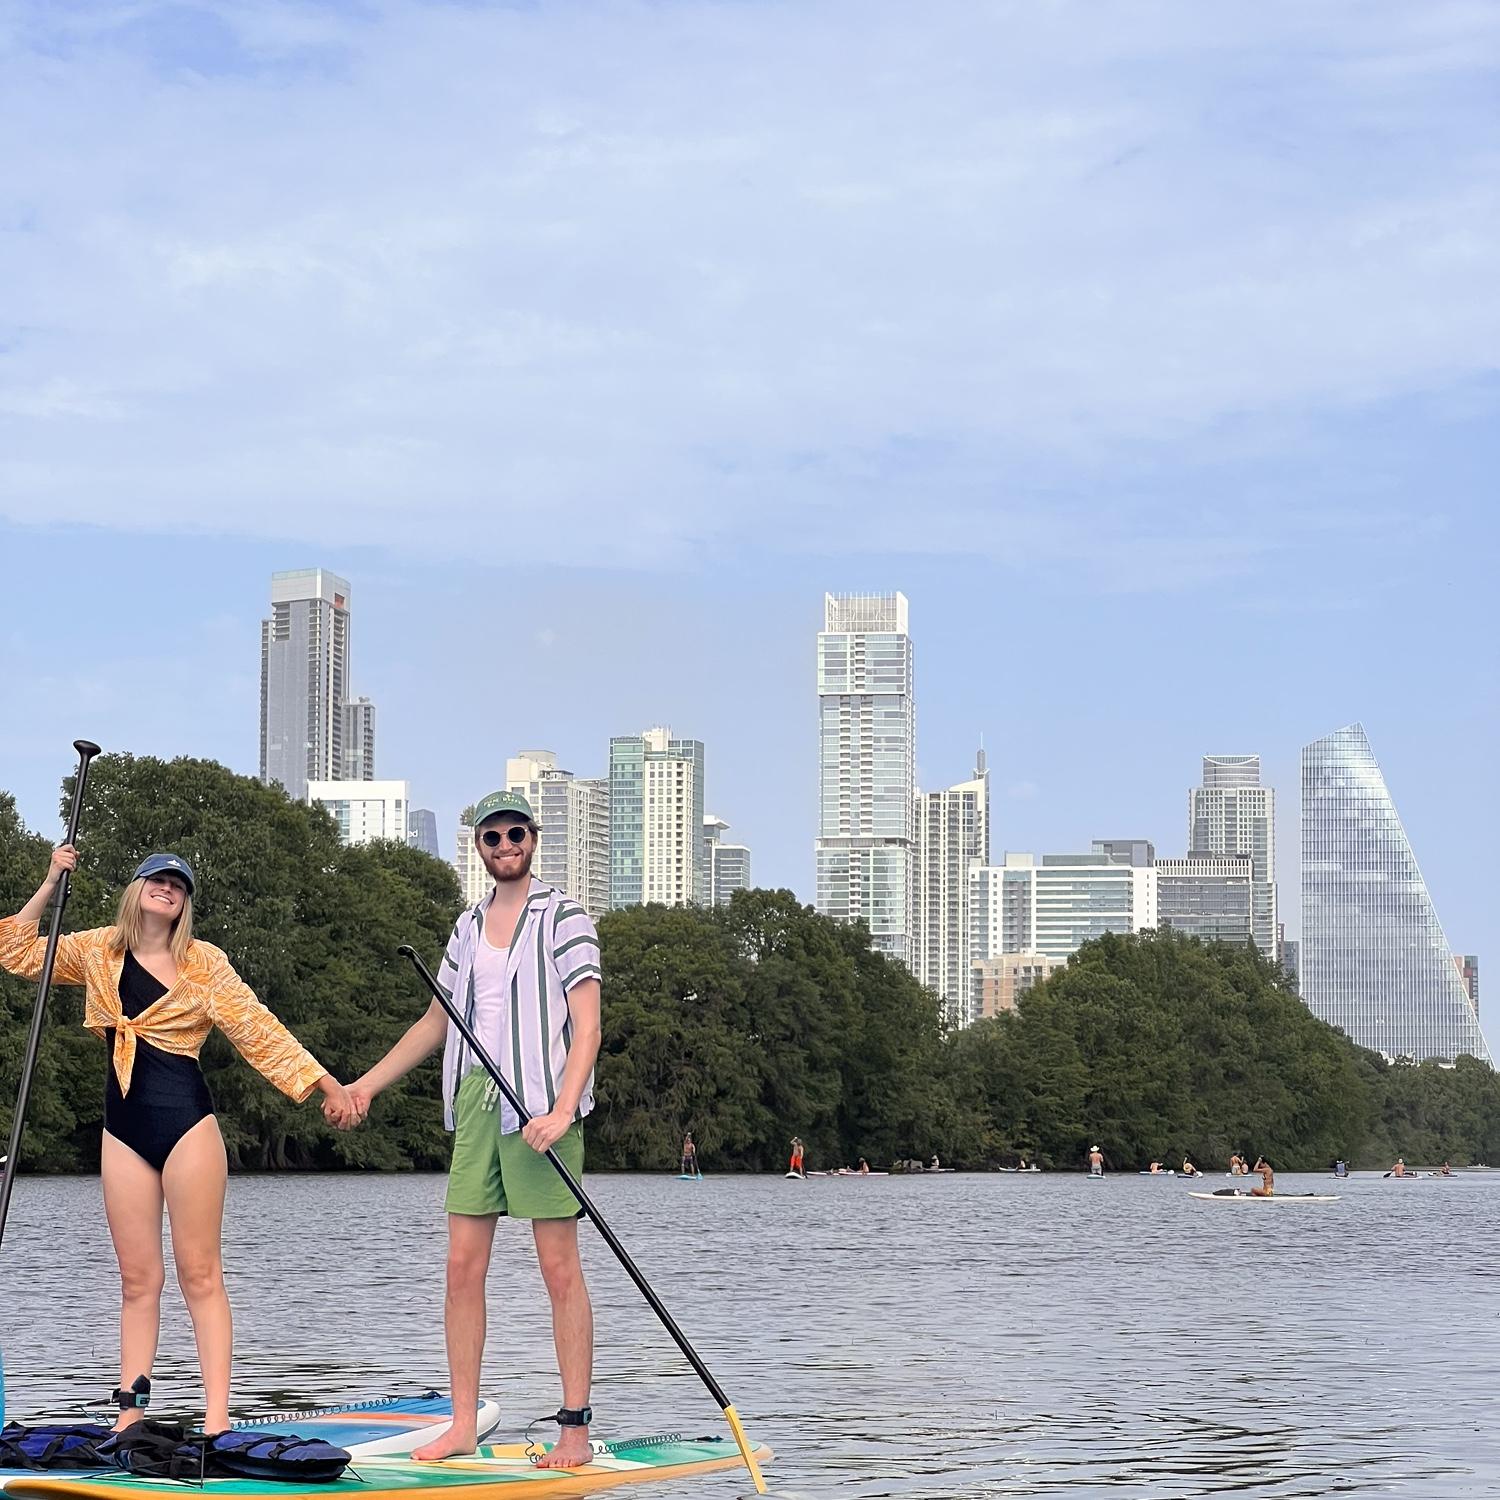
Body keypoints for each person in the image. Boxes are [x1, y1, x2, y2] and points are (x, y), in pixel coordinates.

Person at [0, 846, 353, 1434]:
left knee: (200, 1273)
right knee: (138, 1279)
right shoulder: (94, 950)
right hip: (122, 1129)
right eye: (157, 880)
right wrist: (50, 881)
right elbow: (13, 950)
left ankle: (217, 1418)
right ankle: (129, 1414)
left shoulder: (204, 963)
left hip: (187, 1125)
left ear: (185, 903)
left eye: (178, 885)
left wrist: (326, 1086)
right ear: (135, 890)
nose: (167, 889)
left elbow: (259, 1030)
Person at [342, 791, 601, 1468]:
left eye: (515, 832)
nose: (505, 844)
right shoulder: (467, 924)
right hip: (478, 1104)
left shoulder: (564, 916)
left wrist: (564, 1108)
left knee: (558, 1269)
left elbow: (589, 1026)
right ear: (479, 847)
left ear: (533, 839)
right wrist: (367, 1084)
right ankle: (461, 1424)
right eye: (492, 837)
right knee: (461, 1268)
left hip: (543, 1103)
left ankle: (574, 1428)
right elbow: (437, 1021)